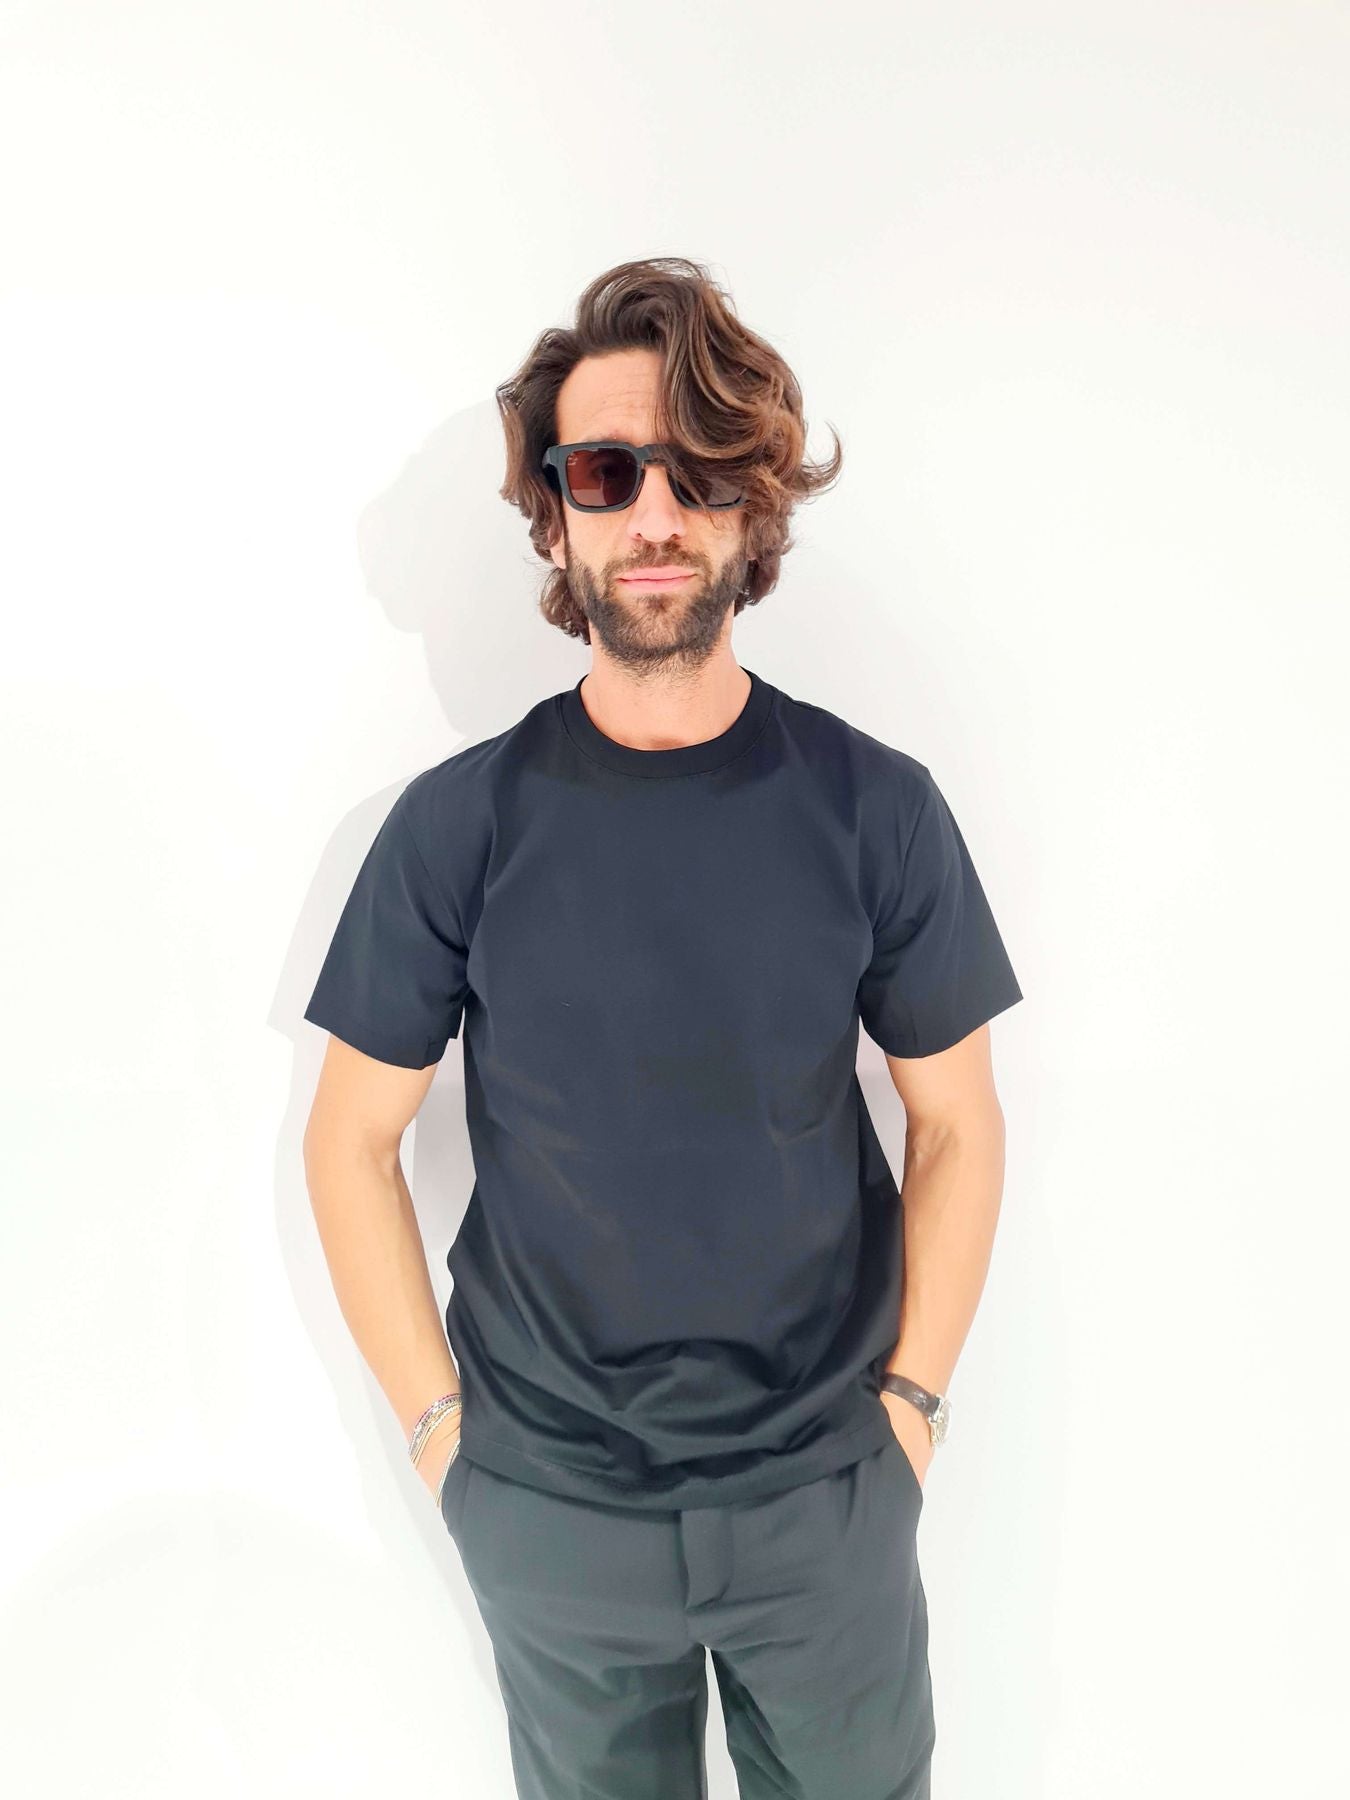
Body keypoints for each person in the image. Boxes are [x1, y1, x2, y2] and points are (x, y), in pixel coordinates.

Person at [301, 256, 1023, 1800]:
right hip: (548, 1505)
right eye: (606, 472)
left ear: (750, 509)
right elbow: (350, 1141)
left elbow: (956, 1120)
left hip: (825, 1500)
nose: (652, 514)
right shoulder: (455, 829)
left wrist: (906, 1415)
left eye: (696, 474)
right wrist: (442, 1441)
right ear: (553, 514)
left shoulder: (875, 811)